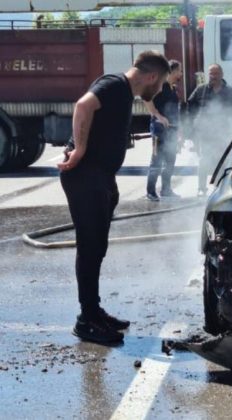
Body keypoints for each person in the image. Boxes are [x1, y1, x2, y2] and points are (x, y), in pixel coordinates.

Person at [58, 50, 170, 344]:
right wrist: (80, 149)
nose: (158, 92)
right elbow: (82, 106)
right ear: (151, 77)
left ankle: (94, 311)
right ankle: (87, 320)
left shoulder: (125, 91)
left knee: (98, 247)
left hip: (100, 177)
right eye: (159, 85)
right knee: (90, 246)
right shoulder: (113, 85)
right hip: (85, 176)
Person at [187, 64, 232, 196]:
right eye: (210, 73)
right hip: (205, 132)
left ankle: (222, 187)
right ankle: (201, 188)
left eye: (216, 73)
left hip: (225, 131)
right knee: (204, 160)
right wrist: (194, 121)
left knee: (224, 159)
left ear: (222, 74)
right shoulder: (201, 90)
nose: (212, 76)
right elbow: (190, 105)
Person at [144, 59, 183, 201]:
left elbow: (176, 111)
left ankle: (166, 189)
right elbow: (147, 99)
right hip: (159, 132)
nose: (181, 74)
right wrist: (159, 116)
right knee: (156, 162)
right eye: (180, 70)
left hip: (172, 131)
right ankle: (150, 191)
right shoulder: (160, 85)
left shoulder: (173, 88)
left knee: (170, 161)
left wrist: (180, 129)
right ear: (172, 71)